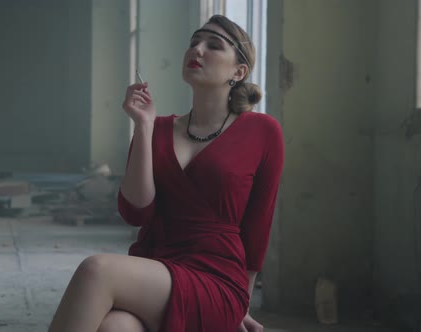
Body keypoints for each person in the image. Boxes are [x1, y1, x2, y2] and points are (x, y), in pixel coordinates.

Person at [47, 14, 284, 332]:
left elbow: (257, 227)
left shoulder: (262, 130)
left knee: (96, 270)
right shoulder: (156, 128)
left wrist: (242, 305)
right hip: (155, 264)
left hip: (216, 277)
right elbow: (136, 211)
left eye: (213, 45)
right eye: (194, 42)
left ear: (238, 71)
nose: (197, 50)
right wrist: (142, 126)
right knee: (115, 328)